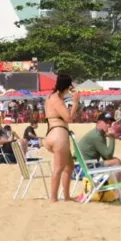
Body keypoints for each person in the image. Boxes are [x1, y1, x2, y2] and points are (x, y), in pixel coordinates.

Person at [45, 74, 82, 203]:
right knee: (59, 168)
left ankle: (66, 197)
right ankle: (53, 198)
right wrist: (75, 103)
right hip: (59, 135)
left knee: (69, 167)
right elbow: (69, 118)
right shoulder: (58, 100)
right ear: (67, 87)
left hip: (51, 134)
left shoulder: (50, 97)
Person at [77, 112, 121, 184]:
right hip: (83, 169)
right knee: (116, 162)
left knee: (115, 161)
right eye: (106, 122)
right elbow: (108, 156)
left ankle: (111, 188)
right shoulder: (97, 136)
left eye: (110, 123)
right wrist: (112, 138)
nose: (109, 125)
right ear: (98, 122)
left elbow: (106, 156)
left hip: (80, 166)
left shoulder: (98, 134)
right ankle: (116, 191)